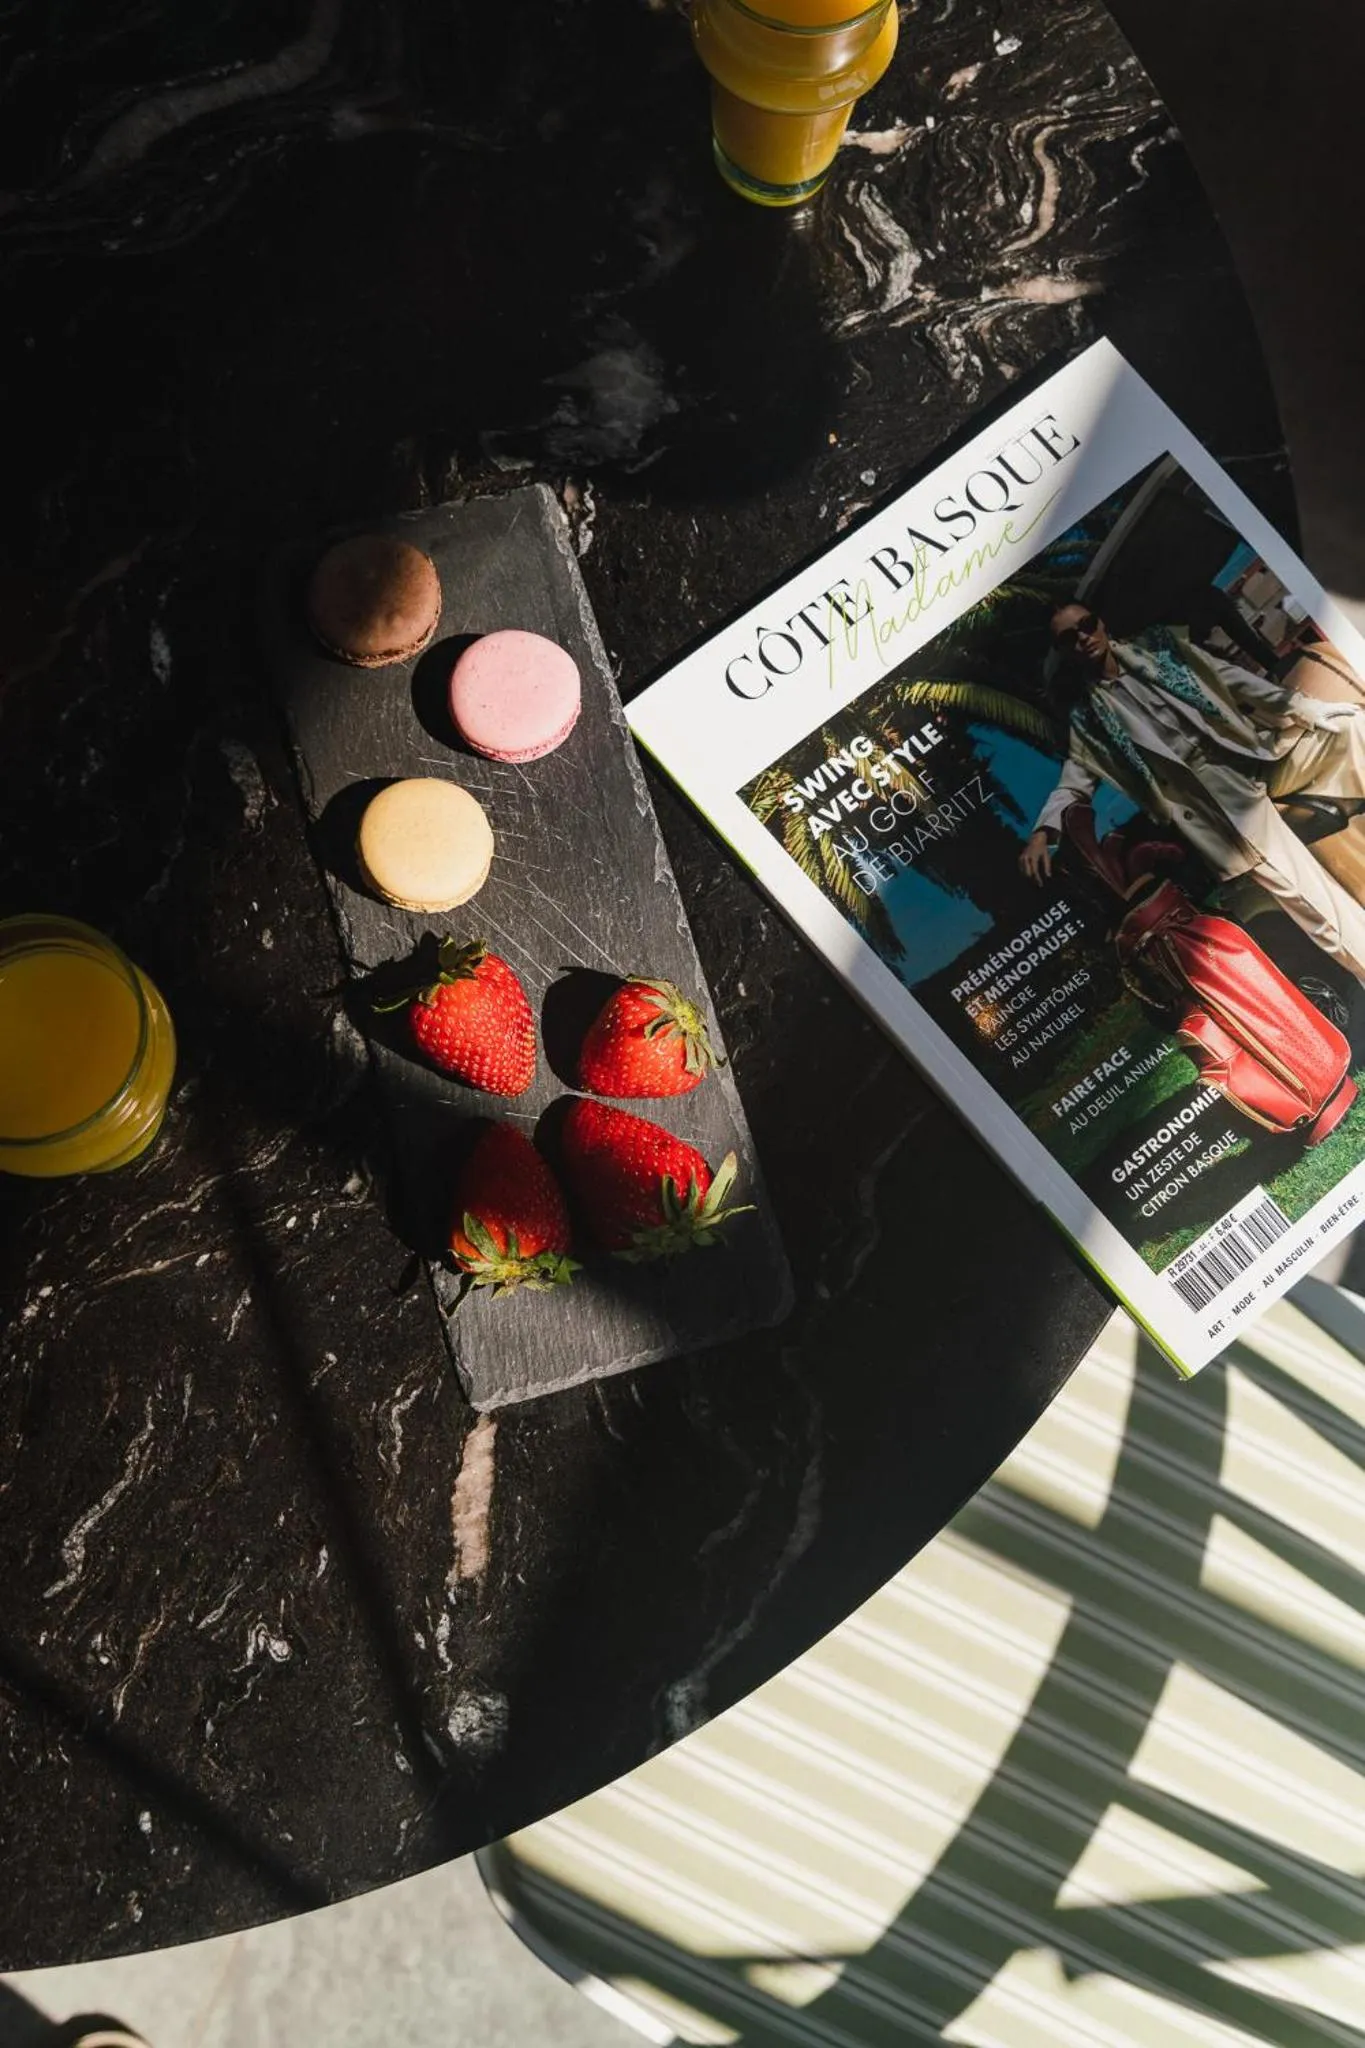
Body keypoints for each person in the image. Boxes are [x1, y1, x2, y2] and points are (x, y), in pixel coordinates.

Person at [1020, 603, 1365, 981]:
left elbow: (1232, 678)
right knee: (1309, 898)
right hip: (1214, 803)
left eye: (1086, 625)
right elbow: (1074, 781)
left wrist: (1305, 708)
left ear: (1101, 622)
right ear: (1064, 651)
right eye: (1070, 638)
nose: (1083, 638)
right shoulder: (1089, 719)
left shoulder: (1160, 650)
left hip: (1255, 758)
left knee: (1353, 725)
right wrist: (1043, 831)